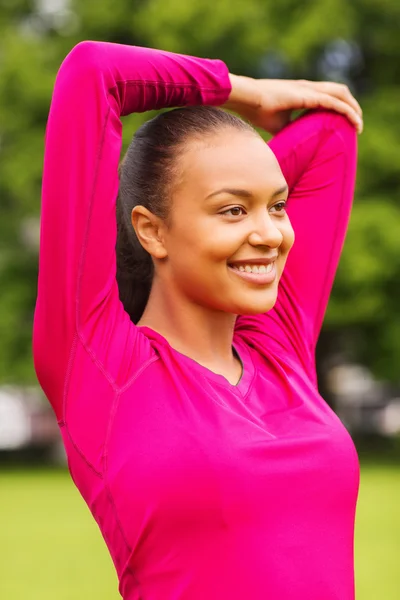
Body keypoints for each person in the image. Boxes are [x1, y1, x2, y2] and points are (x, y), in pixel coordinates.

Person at [33, 40, 363, 600]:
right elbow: (94, 72)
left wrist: (237, 153)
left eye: (277, 205)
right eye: (232, 209)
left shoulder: (278, 347)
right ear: (152, 230)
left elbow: (334, 133)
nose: (270, 233)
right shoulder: (102, 365)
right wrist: (245, 92)